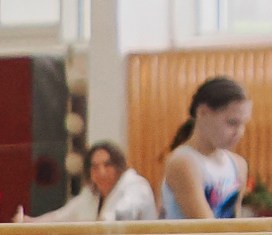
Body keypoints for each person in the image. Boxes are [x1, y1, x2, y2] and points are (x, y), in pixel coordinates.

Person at [161, 76, 253, 219]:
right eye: (232, 123)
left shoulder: (238, 164)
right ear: (203, 112)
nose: (239, 132)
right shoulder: (183, 162)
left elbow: (235, 222)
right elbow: (206, 226)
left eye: (243, 124)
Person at [24, 142, 157, 221]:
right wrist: (31, 223)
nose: (101, 172)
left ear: (119, 167)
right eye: (95, 167)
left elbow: (124, 213)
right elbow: (62, 216)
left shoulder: (135, 186)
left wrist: (103, 224)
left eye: (107, 165)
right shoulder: (90, 194)